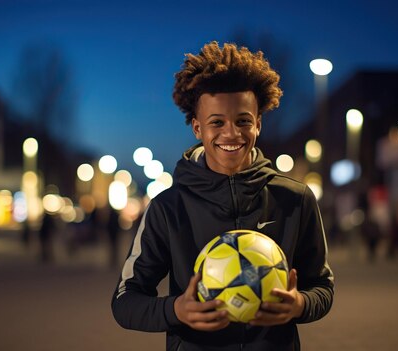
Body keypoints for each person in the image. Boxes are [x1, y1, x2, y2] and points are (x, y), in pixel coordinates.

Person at [111, 41, 334, 350]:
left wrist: (300, 305)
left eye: (243, 120)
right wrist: (177, 310)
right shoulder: (168, 208)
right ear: (197, 128)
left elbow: (322, 287)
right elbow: (125, 301)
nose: (231, 133)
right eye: (217, 122)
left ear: (258, 123)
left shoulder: (295, 199)